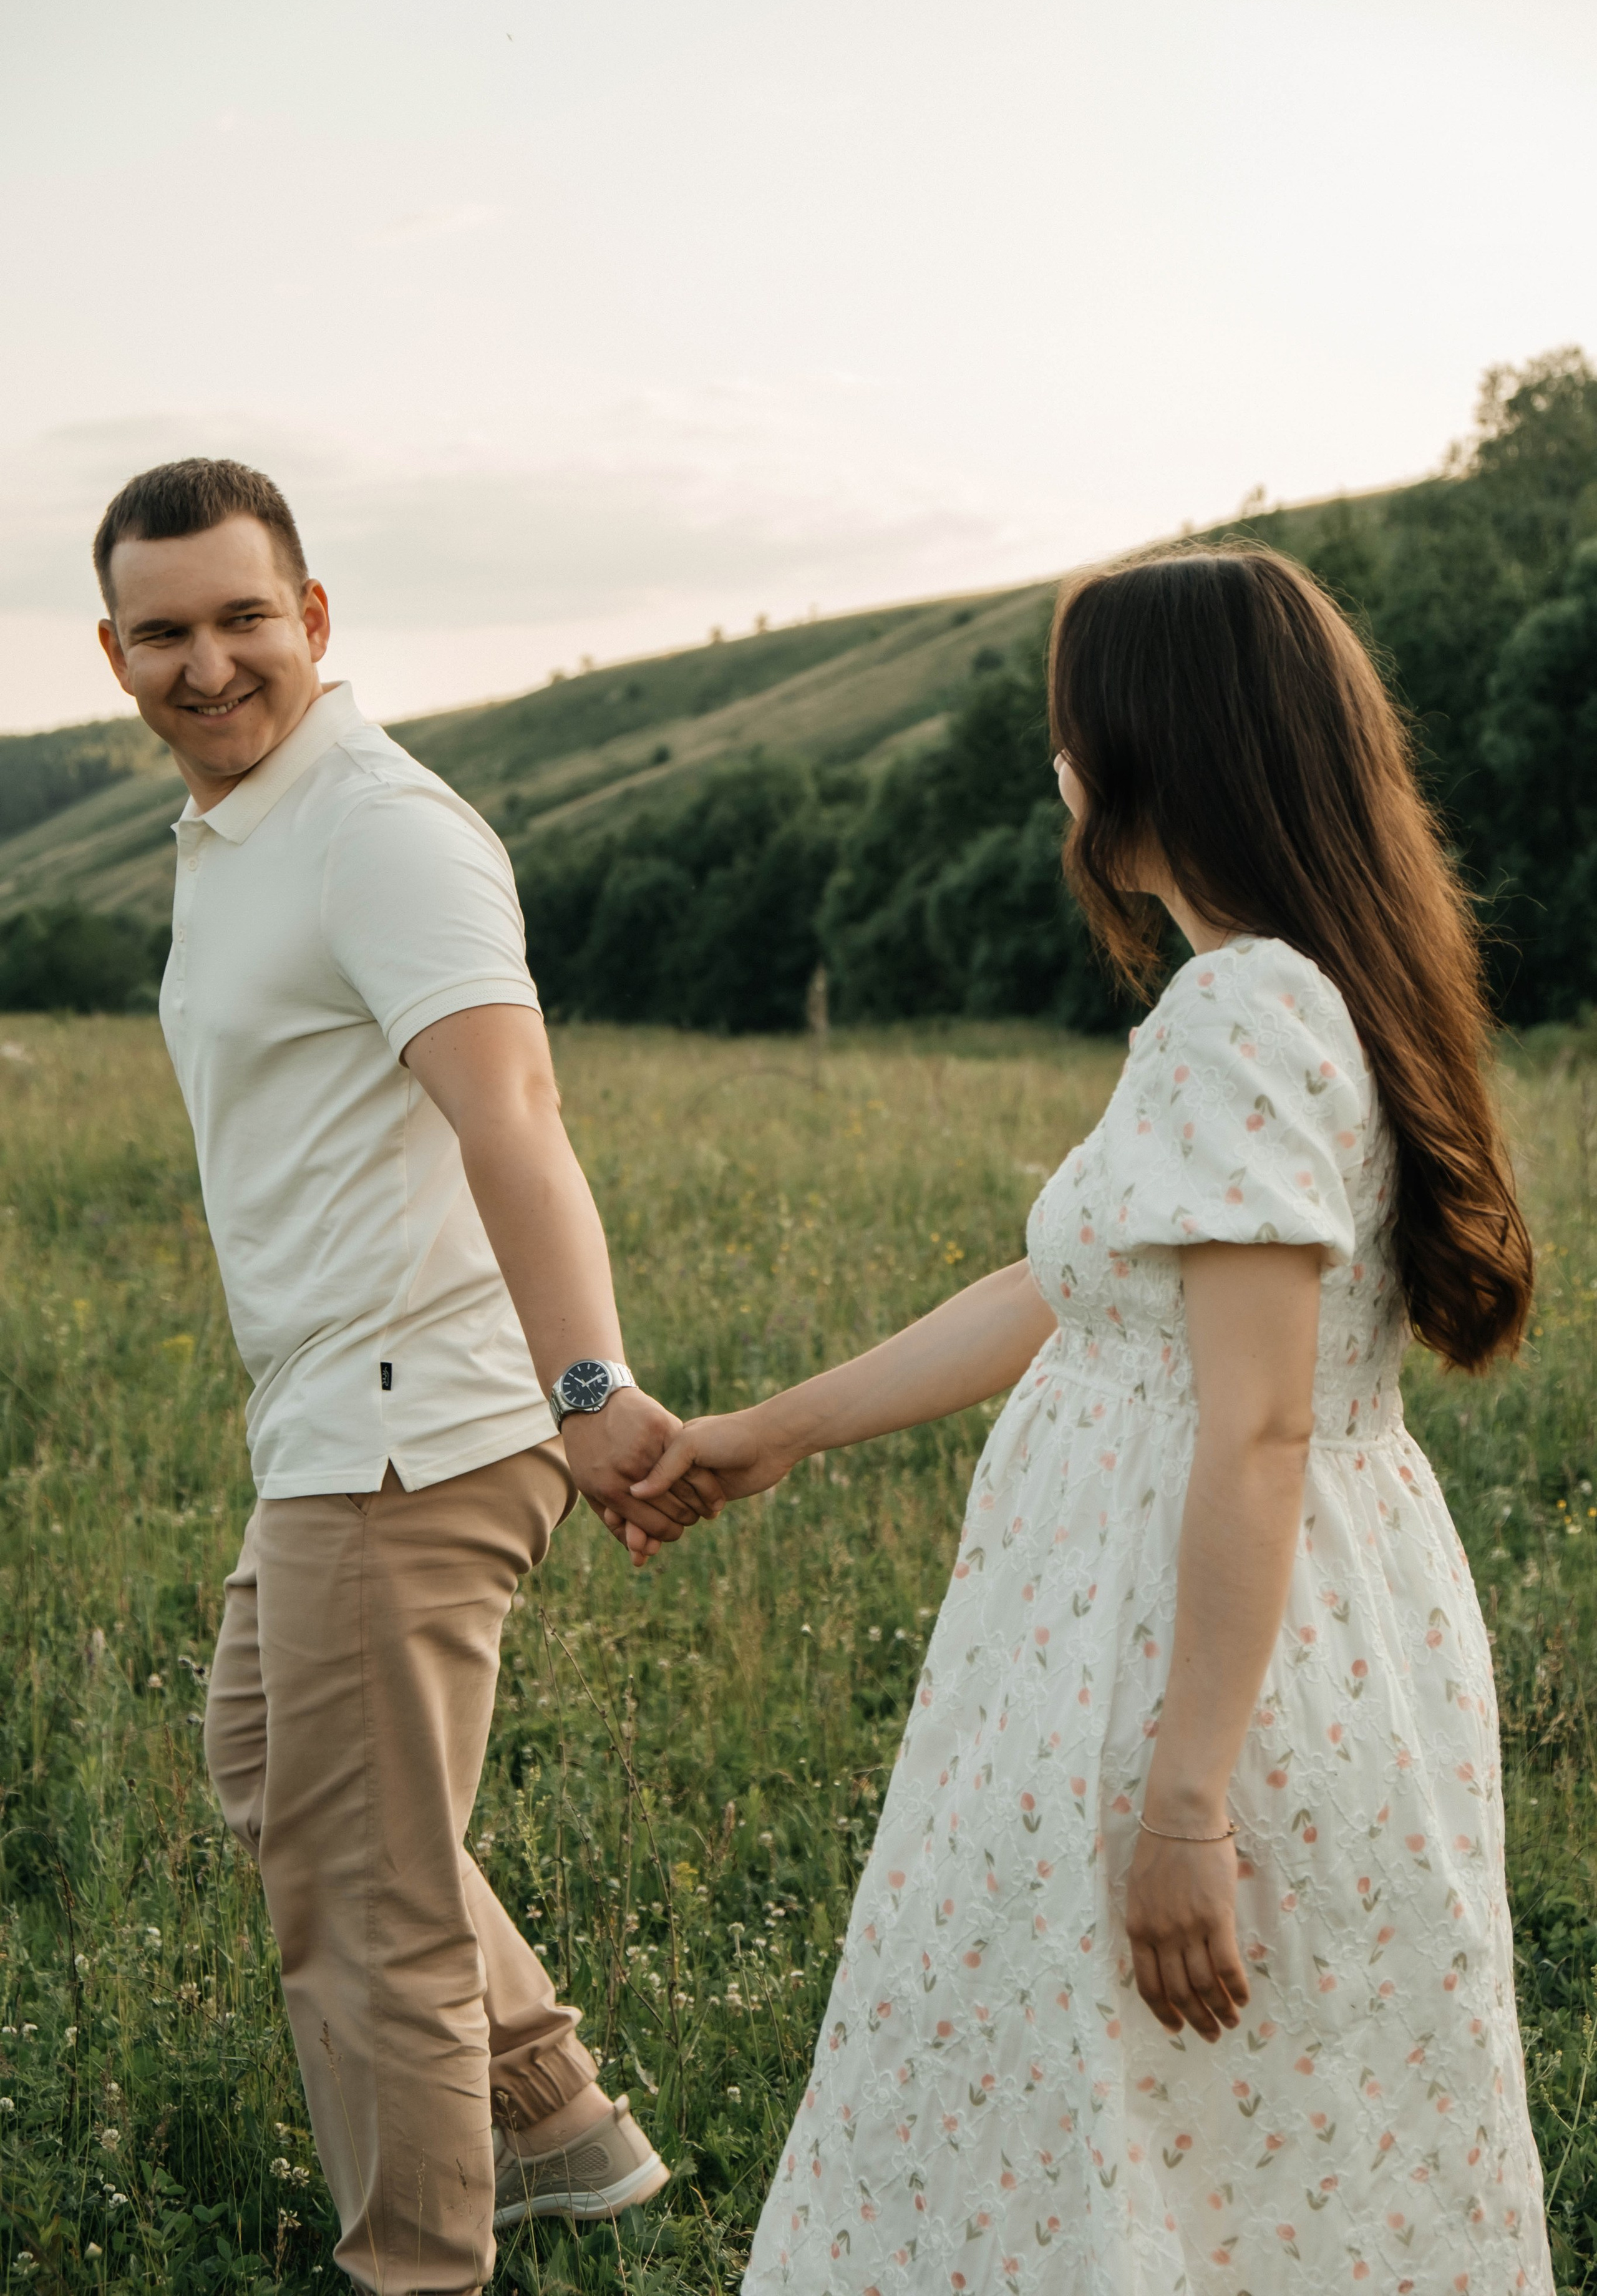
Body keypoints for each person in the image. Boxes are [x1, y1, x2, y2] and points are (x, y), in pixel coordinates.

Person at [628, 549, 1555, 2293]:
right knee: (1195, 2154)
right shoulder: (1300, 988)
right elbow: (1067, 1289)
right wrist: (783, 1429)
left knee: (1141, 2137)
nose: (1051, 765)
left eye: (1066, 727)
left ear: (1138, 754)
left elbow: (1259, 1424)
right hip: (1210, 1639)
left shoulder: (1246, 1010)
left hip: (1198, 1672)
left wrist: (1184, 1800)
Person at [94, 458, 700, 2295]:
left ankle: (416, 2263)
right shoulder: (248, 830)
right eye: (168, 631)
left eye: (243, 619)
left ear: (317, 620)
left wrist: (589, 1385)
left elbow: (512, 1106)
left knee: (368, 1909)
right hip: (329, 1422)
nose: (209, 664)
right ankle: (558, 2124)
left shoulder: (377, 825)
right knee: (271, 1759)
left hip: (408, 1430)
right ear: (112, 651)